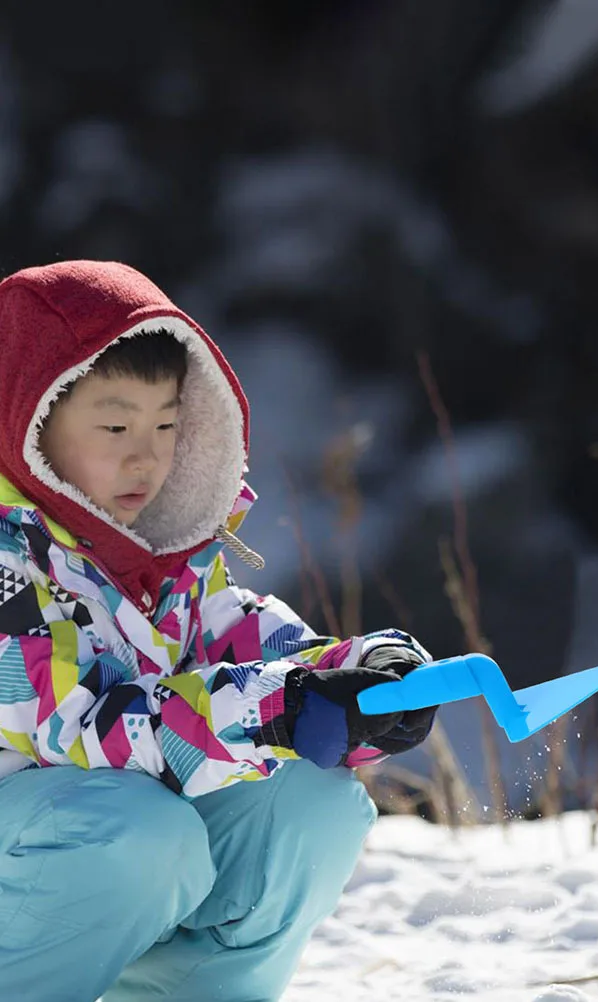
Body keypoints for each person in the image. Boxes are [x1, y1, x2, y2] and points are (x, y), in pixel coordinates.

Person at [0, 260, 438, 1002]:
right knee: (140, 835)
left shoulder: (156, 557)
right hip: (36, 842)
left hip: (68, 845)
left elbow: (257, 649)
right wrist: (275, 707)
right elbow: (86, 723)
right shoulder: (10, 567)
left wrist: (361, 673)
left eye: (167, 425)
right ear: (27, 424)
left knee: (312, 805)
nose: (147, 456)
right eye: (115, 426)